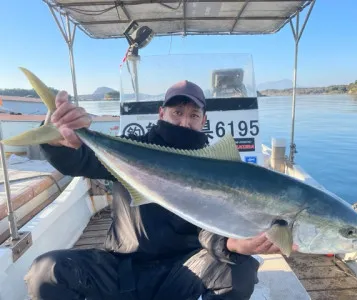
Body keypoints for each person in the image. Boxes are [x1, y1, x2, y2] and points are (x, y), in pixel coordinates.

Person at [25, 80, 283, 300]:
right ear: (162, 113)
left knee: (241, 270)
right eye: (177, 112)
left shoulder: (214, 167)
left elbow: (210, 226)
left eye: (193, 115)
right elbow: (80, 160)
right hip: (121, 265)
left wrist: (230, 244)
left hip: (183, 269)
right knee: (47, 271)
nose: (184, 122)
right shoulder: (132, 150)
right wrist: (57, 142)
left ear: (204, 120)